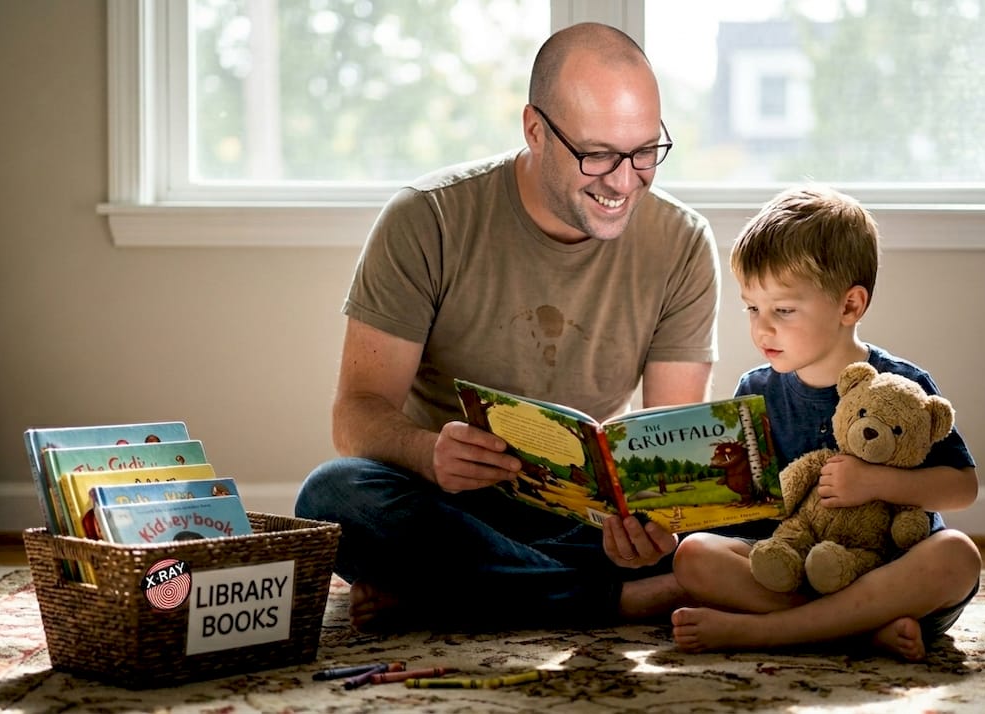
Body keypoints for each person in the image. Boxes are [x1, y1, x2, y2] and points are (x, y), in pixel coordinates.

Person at [294, 22, 720, 632]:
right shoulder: (427, 219)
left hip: (583, 522)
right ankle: (615, 603)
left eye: (645, 151)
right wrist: (427, 451)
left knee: (751, 527)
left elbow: (667, 452)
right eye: (597, 154)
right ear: (535, 130)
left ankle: (451, 596)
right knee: (332, 497)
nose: (625, 181)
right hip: (447, 504)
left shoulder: (682, 242)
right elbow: (355, 414)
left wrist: (651, 527)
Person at [669, 185, 981, 661]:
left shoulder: (901, 384)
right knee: (693, 556)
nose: (762, 328)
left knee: (958, 556)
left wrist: (877, 482)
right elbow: (741, 514)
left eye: (783, 310)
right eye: (752, 308)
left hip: (890, 576)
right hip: (795, 570)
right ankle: (856, 633)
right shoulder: (757, 390)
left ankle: (770, 633)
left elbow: (963, 488)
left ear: (850, 306)